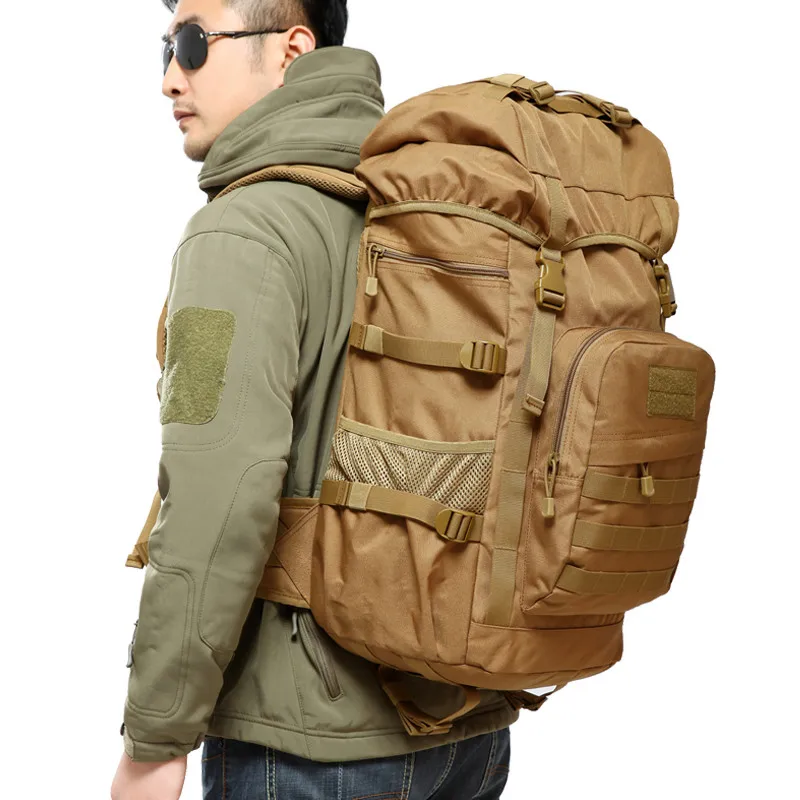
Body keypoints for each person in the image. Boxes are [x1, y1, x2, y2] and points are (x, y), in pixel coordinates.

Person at [110, 1, 519, 798]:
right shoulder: (422, 207)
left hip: (304, 745)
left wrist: (155, 740)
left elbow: (215, 498)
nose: (170, 79)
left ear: (292, 48)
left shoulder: (241, 234)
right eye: (165, 50)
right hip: (464, 725)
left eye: (193, 43)